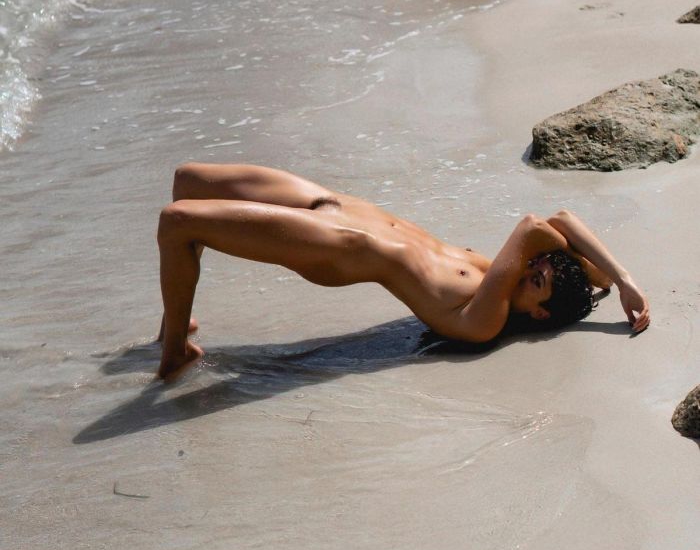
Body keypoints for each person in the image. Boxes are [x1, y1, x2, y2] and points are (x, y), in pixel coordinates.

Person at [156, 162, 650, 379]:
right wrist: (617, 279)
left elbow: (536, 226)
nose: (530, 270)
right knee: (187, 180)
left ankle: (175, 349)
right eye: (537, 267)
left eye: (537, 280)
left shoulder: (484, 320)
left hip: (336, 243)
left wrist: (573, 264)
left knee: (178, 222)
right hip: (334, 204)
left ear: (539, 315)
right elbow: (562, 221)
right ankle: (177, 319)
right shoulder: (513, 274)